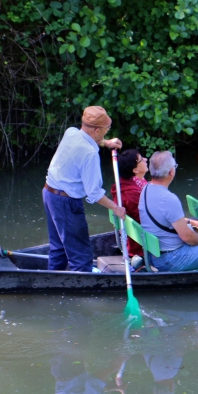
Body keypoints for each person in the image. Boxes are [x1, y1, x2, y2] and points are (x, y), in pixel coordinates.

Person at [43, 106, 126, 272]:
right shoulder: (90, 154)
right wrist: (116, 208)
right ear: (97, 130)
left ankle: (53, 280)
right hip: (66, 202)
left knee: (58, 247)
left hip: (49, 193)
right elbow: (94, 193)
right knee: (81, 256)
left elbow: (87, 139)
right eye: (106, 129)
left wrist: (106, 143)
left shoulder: (71, 132)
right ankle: (82, 289)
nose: (107, 130)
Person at [138, 151, 198, 272]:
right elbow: (187, 237)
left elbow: (167, 219)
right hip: (171, 258)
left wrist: (192, 223)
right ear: (171, 172)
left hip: (154, 255)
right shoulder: (169, 198)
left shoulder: (146, 189)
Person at [110, 149, 148, 258]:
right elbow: (144, 220)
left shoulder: (121, 185)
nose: (146, 159)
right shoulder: (132, 193)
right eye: (141, 160)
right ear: (135, 170)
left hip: (132, 240)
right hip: (140, 246)